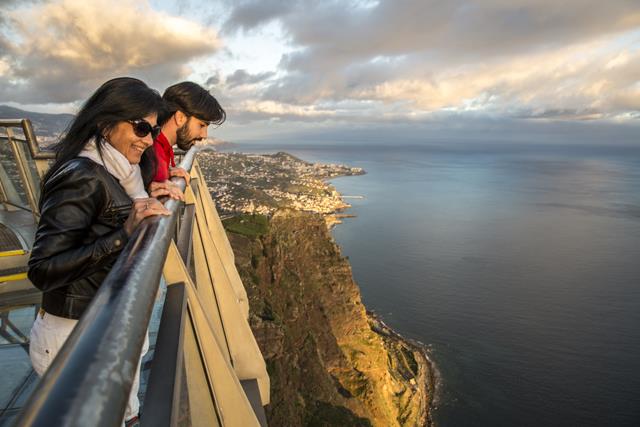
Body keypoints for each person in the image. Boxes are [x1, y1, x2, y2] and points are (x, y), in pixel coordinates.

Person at [27, 77, 176, 426]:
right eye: (140, 128)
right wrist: (123, 235)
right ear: (106, 124)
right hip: (73, 337)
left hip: (98, 326)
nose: (147, 140)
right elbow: (43, 268)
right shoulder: (81, 175)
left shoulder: (119, 172)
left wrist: (149, 200)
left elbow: (107, 214)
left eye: (153, 131)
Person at [153, 81, 226, 183]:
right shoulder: (152, 153)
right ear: (180, 118)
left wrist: (167, 171)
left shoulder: (159, 149)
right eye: (201, 125)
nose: (204, 135)